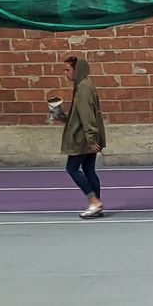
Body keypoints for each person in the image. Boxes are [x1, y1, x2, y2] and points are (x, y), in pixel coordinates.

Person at [48, 55, 108, 218]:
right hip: (87, 135)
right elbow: (80, 114)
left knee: (72, 168)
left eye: (68, 70)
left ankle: (94, 201)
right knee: (89, 169)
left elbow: (87, 115)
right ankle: (97, 204)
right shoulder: (84, 85)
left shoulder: (83, 87)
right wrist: (64, 118)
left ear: (77, 69)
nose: (65, 73)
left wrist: (91, 138)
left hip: (83, 137)